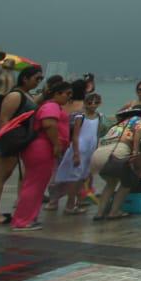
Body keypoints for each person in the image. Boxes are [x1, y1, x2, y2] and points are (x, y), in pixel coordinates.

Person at [0, 65, 42, 225]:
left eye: (41, 79)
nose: (38, 81)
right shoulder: (15, 95)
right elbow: (4, 120)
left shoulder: (25, 94)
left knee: (2, 176)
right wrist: (10, 142)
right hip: (8, 142)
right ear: (25, 78)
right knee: (0, 177)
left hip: (15, 141)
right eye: (36, 78)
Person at [10, 78, 71, 231]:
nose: (69, 97)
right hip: (41, 148)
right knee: (34, 185)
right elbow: (49, 124)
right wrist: (56, 143)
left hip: (41, 148)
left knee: (36, 184)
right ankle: (22, 221)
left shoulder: (50, 105)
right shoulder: (51, 106)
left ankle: (28, 217)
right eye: (67, 93)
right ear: (57, 93)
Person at [92, 105, 141, 220]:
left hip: (97, 155)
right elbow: (138, 131)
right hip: (116, 153)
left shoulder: (118, 124)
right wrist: (135, 151)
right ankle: (114, 212)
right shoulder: (139, 119)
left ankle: (99, 214)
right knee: (127, 183)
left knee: (110, 183)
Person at [50, 81, 98, 215]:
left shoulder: (64, 104)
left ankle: (53, 202)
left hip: (63, 141)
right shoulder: (83, 108)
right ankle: (76, 202)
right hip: (78, 145)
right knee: (80, 176)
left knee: (59, 174)